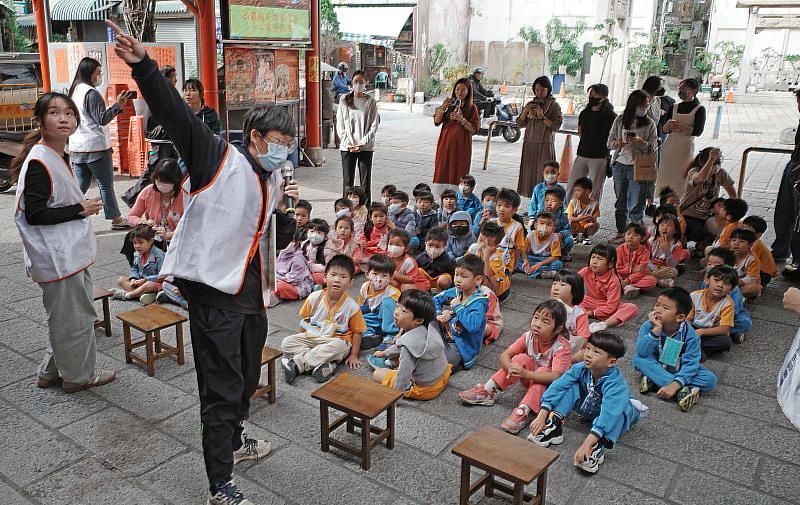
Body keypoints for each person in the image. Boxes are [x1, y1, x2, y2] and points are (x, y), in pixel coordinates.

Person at [108, 21, 300, 504]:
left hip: (249, 289)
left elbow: (265, 235)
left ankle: (235, 438)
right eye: (279, 140)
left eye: (290, 143)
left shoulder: (272, 177)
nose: (285, 150)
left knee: (248, 374)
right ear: (255, 137)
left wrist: (288, 222)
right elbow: (179, 118)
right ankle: (220, 484)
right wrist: (145, 68)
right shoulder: (217, 157)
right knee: (220, 385)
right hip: (211, 293)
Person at [11, 92, 115, 394]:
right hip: (57, 258)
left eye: (69, 113)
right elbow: (35, 213)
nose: (64, 118)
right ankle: (78, 378)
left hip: (65, 255)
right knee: (76, 320)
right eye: (55, 113)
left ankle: (49, 372)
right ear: (41, 120)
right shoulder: (41, 161)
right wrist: (80, 208)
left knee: (70, 316)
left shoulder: (54, 154)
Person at [528, 332, 646, 474]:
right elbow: (559, 385)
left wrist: (586, 444)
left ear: (612, 362)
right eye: (588, 348)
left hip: (614, 416)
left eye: (596, 352)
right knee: (570, 385)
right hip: (592, 406)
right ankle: (554, 425)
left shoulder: (616, 384)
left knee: (620, 410)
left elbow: (609, 414)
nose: (588, 354)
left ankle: (598, 444)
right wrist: (542, 414)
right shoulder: (581, 368)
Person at [459, 300, 571, 434]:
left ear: (558, 329)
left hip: (551, 391)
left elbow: (556, 376)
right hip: (530, 378)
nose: (537, 324)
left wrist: (526, 374)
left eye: (545, 322)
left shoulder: (561, 347)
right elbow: (505, 355)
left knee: (544, 371)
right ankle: (489, 390)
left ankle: (523, 410)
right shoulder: (529, 336)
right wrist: (510, 367)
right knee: (519, 358)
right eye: (536, 318)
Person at [68, 57, 134, 230]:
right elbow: (102, 119)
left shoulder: (74, 90)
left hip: (77, 146)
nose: (100, 77)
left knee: (79, 187)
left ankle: (67, 212)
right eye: (98, 73)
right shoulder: (91, 93)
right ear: (89, 73)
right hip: (96, 147)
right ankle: (116, 219)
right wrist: (118, 105)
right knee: (105, 185)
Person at [281, 255, 368, 384]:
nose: (337, 280)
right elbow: (304, 322)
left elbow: (357, 332)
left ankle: (298, 364)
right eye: (333, 275)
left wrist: (353, 355)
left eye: (343, 277)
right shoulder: (314, 298)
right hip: (314, 337)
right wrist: (303, 338)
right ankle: (329, 364)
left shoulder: (352, 307)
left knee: (338, 347)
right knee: (287, 343)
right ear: (325, 277)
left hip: (336, 341)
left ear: (350, 282)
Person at [634, 287, 717, 412]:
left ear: (680, 317)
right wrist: (655, 331)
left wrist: (675, 384)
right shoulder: (649, 325)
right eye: (657, 305)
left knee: (710, 380)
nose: (658, 310)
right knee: (638, 360)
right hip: (656, 362)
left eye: (665, 308)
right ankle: (681, 391)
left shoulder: (691, 336)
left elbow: (691, 364)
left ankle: (655, 380)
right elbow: (642, 351)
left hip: (678, 367)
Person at [372, 290, 452, 401]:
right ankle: (390, 361)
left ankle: (392, 367)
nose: (396, 312)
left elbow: (403, 375)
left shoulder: (408, 344)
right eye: (397, 306)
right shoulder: (429, 328)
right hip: (442, 376)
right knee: (405, 358)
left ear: (418, 320)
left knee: (377, 374)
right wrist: (384, 353)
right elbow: (401, 345)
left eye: (403, 311)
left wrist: (395, 399)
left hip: (425, 389)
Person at [607, 90, 658, 240]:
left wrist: (639, 142)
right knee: (620, 202)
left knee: (636, 203)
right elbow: (609, 142)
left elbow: (653, 147)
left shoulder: (649, 124)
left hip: (639, 166)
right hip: (620, 165)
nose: (645, 109)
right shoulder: (620, 120)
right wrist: (617, 143)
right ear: (633, 105)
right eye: (642, 106)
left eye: (647, 106)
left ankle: (635, 236)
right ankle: (621, 231)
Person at [122, 158, 184, 265]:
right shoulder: (148, 191)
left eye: (167, 182)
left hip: (178, 239)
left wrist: (169, 235)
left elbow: (190, 226)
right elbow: (132, 216)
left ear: (176, 181)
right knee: (131, 238)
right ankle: (137, 268)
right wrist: (143, 223)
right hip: (154, 237)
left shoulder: (184, 195)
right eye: (159, 181)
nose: (162, 185)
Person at [433, 254, 490, 370]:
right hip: (447, 332)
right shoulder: (456, 291)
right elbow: (435, 299)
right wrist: (439, 314)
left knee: (447, 360)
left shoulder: (479, 303)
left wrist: (458, 306)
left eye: (464, 276)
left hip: (462, 345)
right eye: (456, 274)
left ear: (478, 280)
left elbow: (473, 326)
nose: (458, 280)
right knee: (425, 316)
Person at [657, 78, 706, 199]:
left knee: (681, 176)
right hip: (670, 145)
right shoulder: (674, 106)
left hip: (685, 146)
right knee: (666, 174)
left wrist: (681, 127)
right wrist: (669, 125)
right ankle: (664, 199)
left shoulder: (699, 109)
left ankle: (679, 200)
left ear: (694, 90)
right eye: (680, 88)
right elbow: (664, 129)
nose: (681, 91)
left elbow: (698, 132)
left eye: (685, 89)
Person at [337, 70, 380, 203]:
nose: (358, 84)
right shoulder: (344, 99)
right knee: (347, 182)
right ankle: (346, 210)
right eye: (356, 81)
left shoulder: (371, 101)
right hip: (347, 147)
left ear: (366, 84)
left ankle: (366, 213)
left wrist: (363, 143)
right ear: (351, 83)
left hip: (365, 148)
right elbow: (340, 125)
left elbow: (374, 125)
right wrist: (349, 143)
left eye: (361, 82)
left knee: (365, 183)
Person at [568, 84, 617, 201]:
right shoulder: (585, 113)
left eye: (595, 96)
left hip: (599, 157)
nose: (592, 98)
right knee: (572, 185)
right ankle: (568, 212)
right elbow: (581, 132)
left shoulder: (611, 116)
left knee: (595, 189)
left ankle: (591, 215)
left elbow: (613, 137)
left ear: (604, 97)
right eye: (590, 95)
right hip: (582, 154)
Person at [680, 147, 737, 247]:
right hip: (689, 214)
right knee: (698, 234)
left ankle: (707, 245)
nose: (716, 167)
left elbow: (733, 194)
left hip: (709, 214)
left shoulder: (721, 173)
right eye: (713, 164)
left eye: (718, 163)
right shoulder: (693, 171)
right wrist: (711, 159)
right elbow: (700, 179)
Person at [517, 76, 563, 197]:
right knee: (529, 174)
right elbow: (519, 123)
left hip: (545, 144)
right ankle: (534, 205)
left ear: (548, 90)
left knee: (544, 174)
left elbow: (556, 126)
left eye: (543, 90)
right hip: (529, 143)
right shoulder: (530, 104)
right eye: (537, 90)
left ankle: (545, 203)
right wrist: (525, 111)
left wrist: (542, 116)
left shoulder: (554, 105)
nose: (539, 93)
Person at [433, 78, 479, 195]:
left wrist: (461, 119)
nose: (459, 92)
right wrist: (443, 107)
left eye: (463, 90)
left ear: (469, 92)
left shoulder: (472, 108)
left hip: (461, 147)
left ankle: (459, 196)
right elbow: (437, 121)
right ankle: (442, 197)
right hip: (445, 144)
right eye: (457, 89)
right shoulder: (449, 104)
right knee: (443, 168)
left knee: (459, 171)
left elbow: (474, 129)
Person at [580, 244, 639, 332]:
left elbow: (611, 306)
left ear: (610, 263)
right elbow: (572, 282)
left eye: (600, 259)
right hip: (589, 301)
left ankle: (603, 324)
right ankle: (581, 313)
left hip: (606, 306)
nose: (594, 262)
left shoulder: (614, 280)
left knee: (631, 308)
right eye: (593, 257)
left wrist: (592, 313)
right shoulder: (586, 271)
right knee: (567, 296)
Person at [771, 89, 800, 264]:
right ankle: (781, 248)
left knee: (797, 216)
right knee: (784, 210)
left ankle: (797, 259)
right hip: (793, 165)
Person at [704, 248, 752, 342]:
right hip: (707, 314)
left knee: (745, 323)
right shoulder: (707, 281)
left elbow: (734, 311)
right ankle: (719, 332)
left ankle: (725, 331)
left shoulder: (734, 289)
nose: (712, 267)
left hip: (726, 316)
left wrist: (717, 319)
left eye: (716, 265)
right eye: (709, 264)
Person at [689, 265, 737, 354]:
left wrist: (702, 332)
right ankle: (696, 348)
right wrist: (687, 330)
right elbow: (687, 319)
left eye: (726, 283)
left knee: (725, 342)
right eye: (716, 280)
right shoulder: (695, 296)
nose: (720, 285)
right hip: (693, 328)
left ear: (732, 289)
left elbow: (724, 329)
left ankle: (692, 346)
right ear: (707, 280)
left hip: (711, 332)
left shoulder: (728, 304)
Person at [359, 254, 401, 355]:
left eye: (384, 276)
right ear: (367, 274)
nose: (379, 279)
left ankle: (390, 336)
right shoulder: (364, 287)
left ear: (391, 278)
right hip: (373, 318)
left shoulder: (394, 293)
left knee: (387, 302)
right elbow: (361, 306)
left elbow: (402, 313)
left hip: (388, 321)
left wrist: (400, 332)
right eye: (375, 274)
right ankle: (368, 335)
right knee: (359, 317)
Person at [112, 224, 164, 304]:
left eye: (140, 242)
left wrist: (145, 280)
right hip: (140, 282)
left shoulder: (159, 255)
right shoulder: (137, 254)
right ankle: (145, 295)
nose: (137, 246)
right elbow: (134, 268)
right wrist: (134, 279)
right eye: (134, 243)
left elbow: (162, 276)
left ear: (151, 241)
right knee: (121, 280)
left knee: (148, 285)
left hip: (154, 282)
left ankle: (126, 295)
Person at [549, 270, 590, 363]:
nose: (556, 287)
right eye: (554, 283)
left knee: (585, 352)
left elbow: (584, 338)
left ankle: (566, 362)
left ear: (574, 291)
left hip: (570, 345)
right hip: (550, 341)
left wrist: (571, 347)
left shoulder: (579, 313)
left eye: (562, 285)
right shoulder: (549, 306)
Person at [469, 221, 511, 302]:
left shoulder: (497, 257)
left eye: (488, 241)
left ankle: (487, 300)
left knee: (484, 278)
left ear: (496, 246)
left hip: (498, 289)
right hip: (478, 282)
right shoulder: (474, 248)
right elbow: (465, 264)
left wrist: (486, 256)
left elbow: (489, 276)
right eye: (482, 237)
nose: (485, 241)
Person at [272, 228, 314, 306]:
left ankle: (278, 295)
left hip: (298, 285)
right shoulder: (284, 253)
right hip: (282, 279)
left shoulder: (298, 259)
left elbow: (295, 279)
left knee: (280, 286)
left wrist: (276, 279)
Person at [616, 222, 657, 299]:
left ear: (643, 238)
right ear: (624, 235)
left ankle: (630, 287)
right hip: (620, 277)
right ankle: (631, 288)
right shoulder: (619, 250)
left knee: (652, 281)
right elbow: (617, 269)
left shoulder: (645, 252)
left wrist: (628, 280)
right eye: (628, 234)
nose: (630, 237)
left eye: (635, 235)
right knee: (610, 275)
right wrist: (633, 269)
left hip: (635, 278)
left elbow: (641, 271)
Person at [648, 213, 689, 287]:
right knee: (641, 267)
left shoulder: (676, 244)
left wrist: (667, 251)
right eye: (662, 225)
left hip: (666, 268)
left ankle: (655, 278)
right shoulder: (652, 241)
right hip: (651, 267)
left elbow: (672, 265)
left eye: (669, 226)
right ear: (658, 228)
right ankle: (660, 280)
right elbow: (646, 259)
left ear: (675, 230)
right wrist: (654, 269)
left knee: (675, 271)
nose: (664, 228)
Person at [519, 212, 562, 279]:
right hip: (531, 258)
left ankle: (531, 271)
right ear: (536, 225)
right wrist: (525, 261)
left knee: (558, 264)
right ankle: (539, 273)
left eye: (549, 225)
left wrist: (540, 264)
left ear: (553, 228)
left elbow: (555, 257)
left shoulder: (554, 238)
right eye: (542, 223)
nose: (545, 227)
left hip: (545, 260)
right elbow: (523, 250)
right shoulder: (531, 235)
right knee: (516, 260)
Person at [416, 227, 455, 291]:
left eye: (437, 247)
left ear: (444, 247)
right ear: (426, 244)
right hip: (425, 281)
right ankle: (423, 289)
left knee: (444, 279)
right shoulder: (420, 258)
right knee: (418, 271)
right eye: (430, 246)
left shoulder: (447, 260)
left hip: (438, 281)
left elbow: (451, 275)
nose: (433, 249)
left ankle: (441, 292)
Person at [730, 227, 763, 299]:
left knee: (753, 288)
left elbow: (751, 278)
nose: (736, 243)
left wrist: (734, 283)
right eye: (733, 240)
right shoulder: (727, 254)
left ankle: (731, 295)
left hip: (740, 284)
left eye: (741, 241)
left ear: (750, 245)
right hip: (726, 282)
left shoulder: (752, 259)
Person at [567, 177, 600, 244]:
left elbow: (595, 220)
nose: (575, 193)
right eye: (575, 190)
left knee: (596, 225)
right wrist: (579, 218)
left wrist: (591, 218)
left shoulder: (594, 204)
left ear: (587, 192)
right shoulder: (573, 202)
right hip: (576, 225)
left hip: (586, 225)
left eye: (578, 190)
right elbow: (569, 217)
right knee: (570, 222)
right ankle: (574, 236)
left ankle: (586, 236)